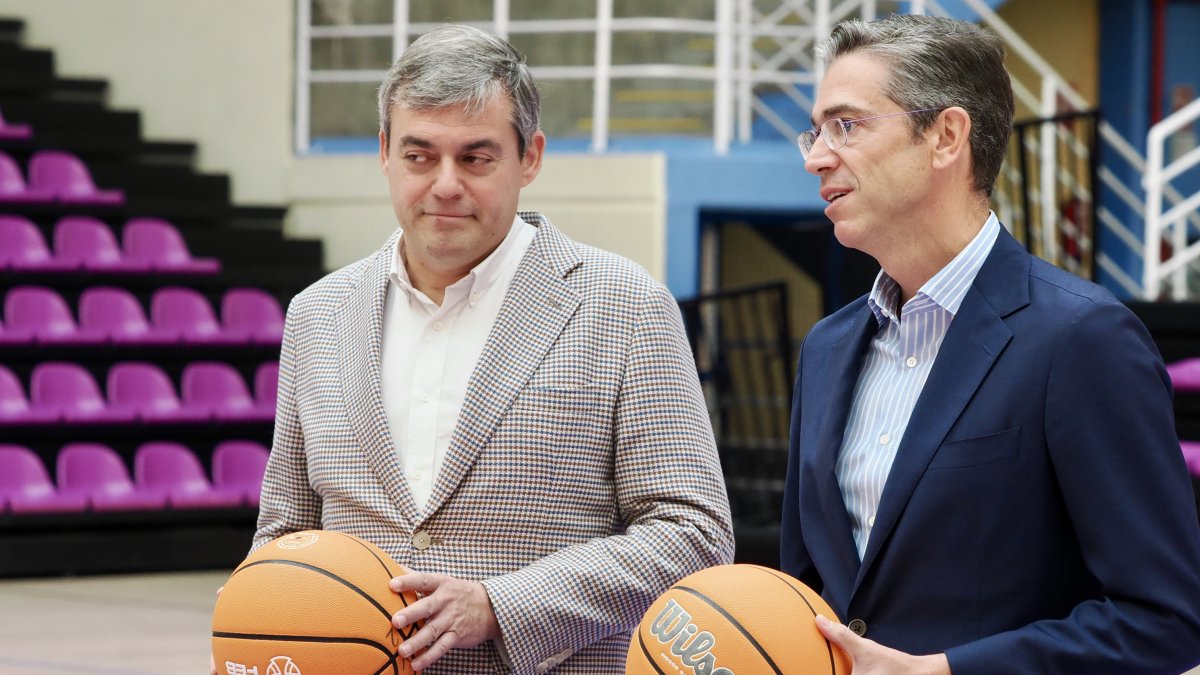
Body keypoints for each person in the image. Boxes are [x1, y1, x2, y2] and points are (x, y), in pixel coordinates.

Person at [249, 24, 734, 674]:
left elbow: (694, 531)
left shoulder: (626, 306)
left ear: (528, 157)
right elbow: (284, 530)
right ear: (385, 152)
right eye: (420, 155)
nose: (446, 184)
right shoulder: (318, 314)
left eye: (475, 158)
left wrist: (503, 605)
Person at [781, 14, 1200, 675]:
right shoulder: (827, 349)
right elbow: (804, 591)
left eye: (846, 125)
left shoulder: (1082, 338)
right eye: (817, 130)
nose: (815, 156)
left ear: (946, 136)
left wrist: (946, 670)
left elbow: (1165, 620)